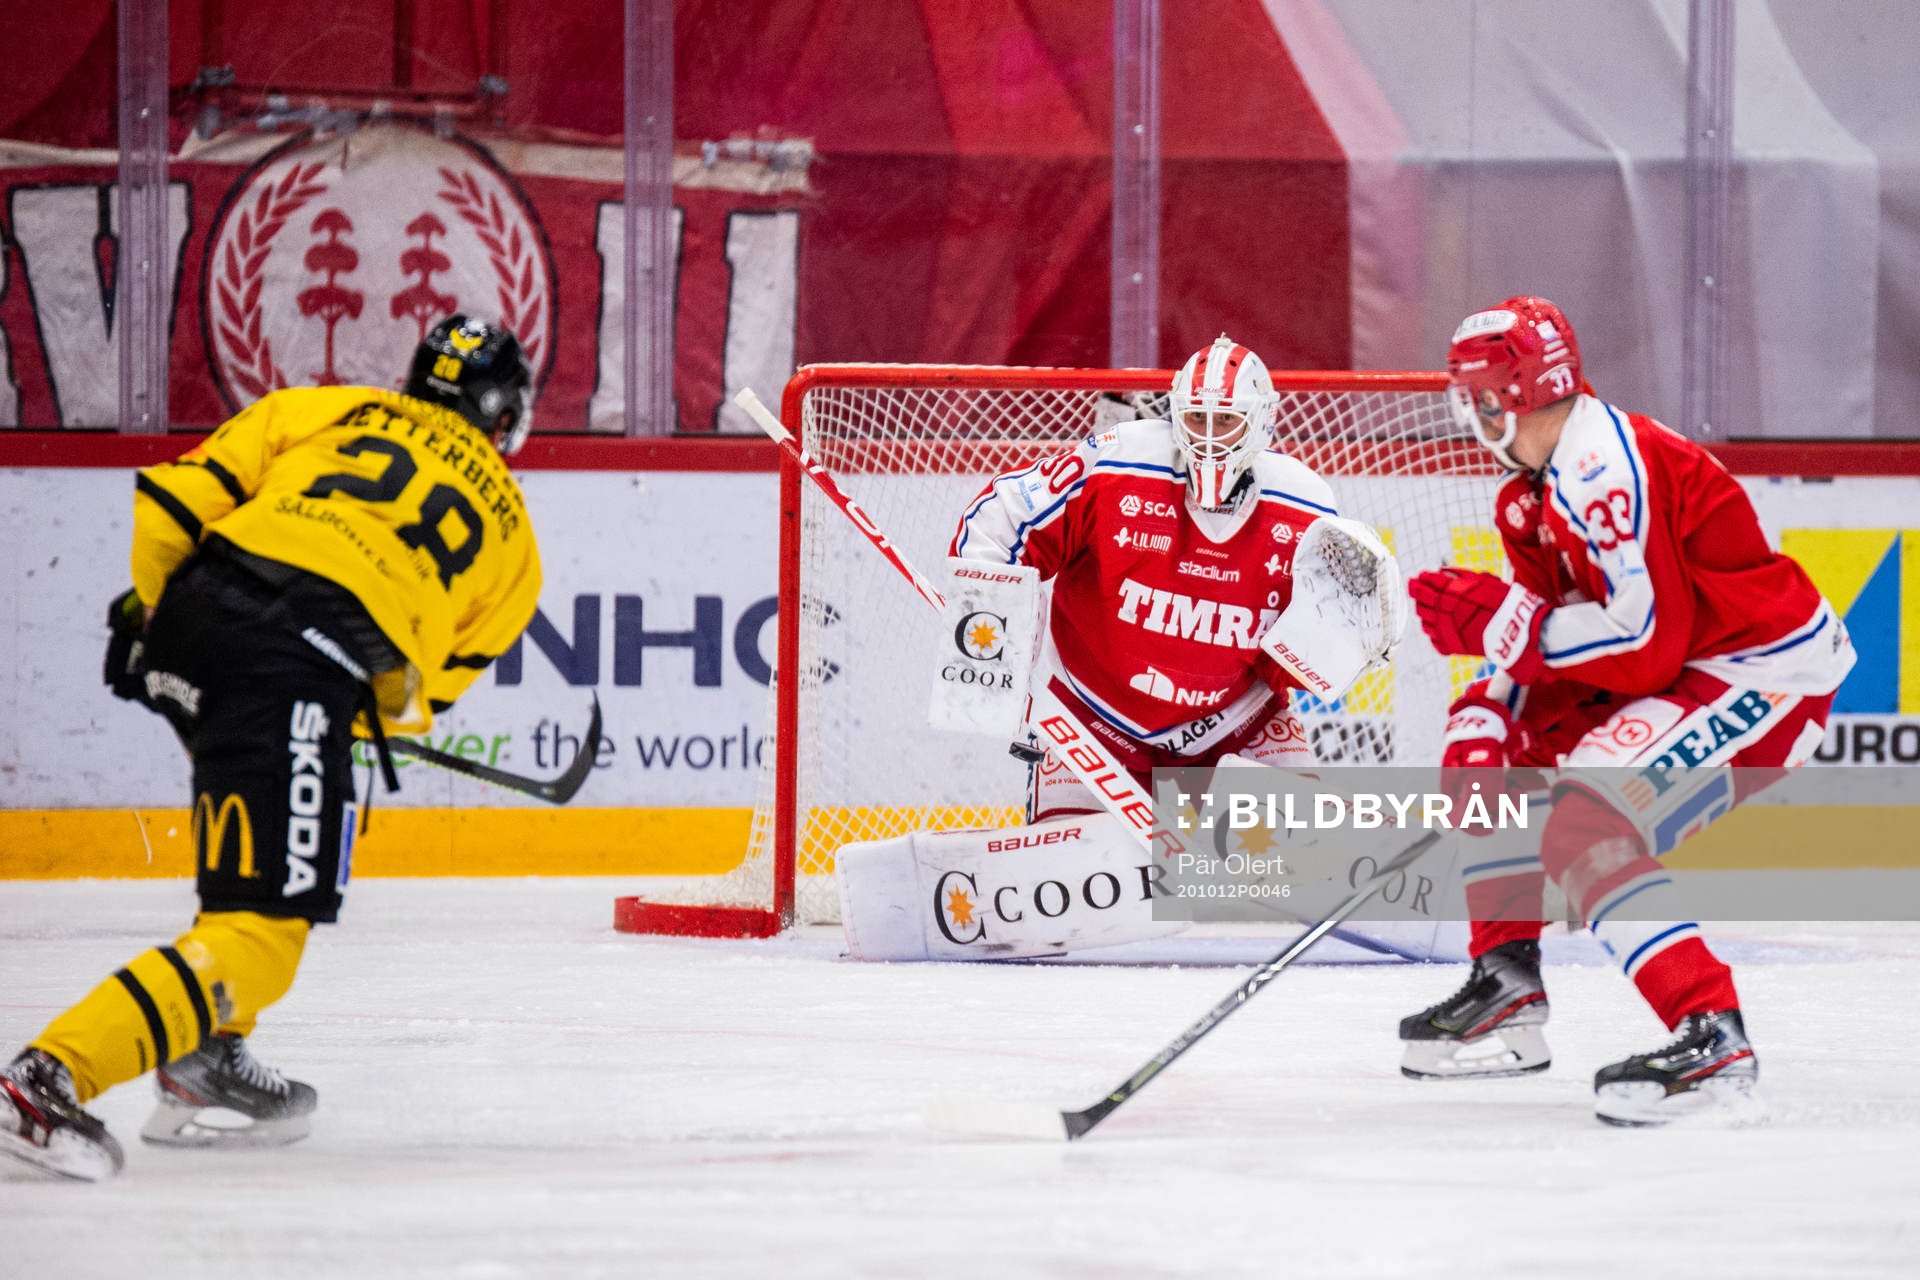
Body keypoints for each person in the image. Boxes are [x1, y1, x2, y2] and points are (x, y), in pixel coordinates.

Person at [0, 316, 543, 1180]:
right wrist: (325, 701)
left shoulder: (333, 409)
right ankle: (49, 1076)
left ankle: (207, 1051)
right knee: (264, 934)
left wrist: (153, 617)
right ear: (502, 411)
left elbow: (172, 501)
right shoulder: (513, 542)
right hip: (296, 666)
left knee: (251, 880)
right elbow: (407, 700)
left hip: (200, 623)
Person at [1399, 296, 1853, 1124]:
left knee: (1583, 824)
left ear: (1510, 395)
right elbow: (1547, 628)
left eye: (1476, 395)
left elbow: (1644, 642)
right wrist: (1485, 707)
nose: (1468, 412)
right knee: (1498, 757)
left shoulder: (1605, 475)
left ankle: (1711, 1031)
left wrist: (1505, 629)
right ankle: (1506, 978)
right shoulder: (1530, 489)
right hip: (1688, 663)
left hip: (1763, 674)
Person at [948, 334, 1400, 824]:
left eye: (1226, 420)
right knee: (1089, 894)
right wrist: (994, 656)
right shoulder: (1119, 462)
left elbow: (1293, 662)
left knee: (1298, 885)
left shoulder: (1305, 505)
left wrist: (1344, 648)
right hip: (1089, 722)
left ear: (1260, 423)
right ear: (1174, 414)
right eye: (1196, 418)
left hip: (1238, 727)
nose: (1208, 436)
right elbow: (1002, 520)